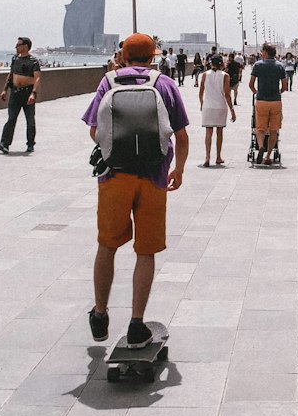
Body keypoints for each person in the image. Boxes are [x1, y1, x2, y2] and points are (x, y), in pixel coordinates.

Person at [83, 32, 189, 348]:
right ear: (153, 57)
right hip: (153, 177)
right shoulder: (165, 84)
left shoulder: (109, 82)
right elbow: (181, 137)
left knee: (107, 245)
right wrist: (178, 169)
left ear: (124, 56)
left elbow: (94, 130)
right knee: (145, 251)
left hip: (114, 176)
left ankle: (100, 314)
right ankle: (136, 323)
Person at [0, 38, 41, 154]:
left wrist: (33, 94)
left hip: (27, 92)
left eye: (18, 45)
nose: (16, 47)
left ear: (25, 46)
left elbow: (37, 78)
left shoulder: (33, 61)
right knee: (11, 118)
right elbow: (11, 75)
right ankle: (4, 143)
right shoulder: (15, 59)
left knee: (30, 120)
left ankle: (30, 143)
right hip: (15, 92)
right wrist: (5, 89)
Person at [248, 42, 287, 166]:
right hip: (275, 101)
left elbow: (251, 84)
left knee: (260, 128)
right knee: (274, 130)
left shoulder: (258, 65)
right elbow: (285, 86)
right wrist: (278, 92)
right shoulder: (280, 66)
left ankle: (260, 146)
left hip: (261, 101)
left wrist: (257, 93)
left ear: (265, 53)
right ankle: (268, 156)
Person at [199, 53, 236, 166]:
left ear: (211, 63)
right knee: (219, 132)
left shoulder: (205, 74)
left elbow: (201, 91)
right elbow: (227, 94)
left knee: (208, 132)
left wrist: (202, 103)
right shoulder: (225, 75)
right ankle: (218, 156)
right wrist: (232, 110)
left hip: (208, 106)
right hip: (220, 106)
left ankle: (207, 156)